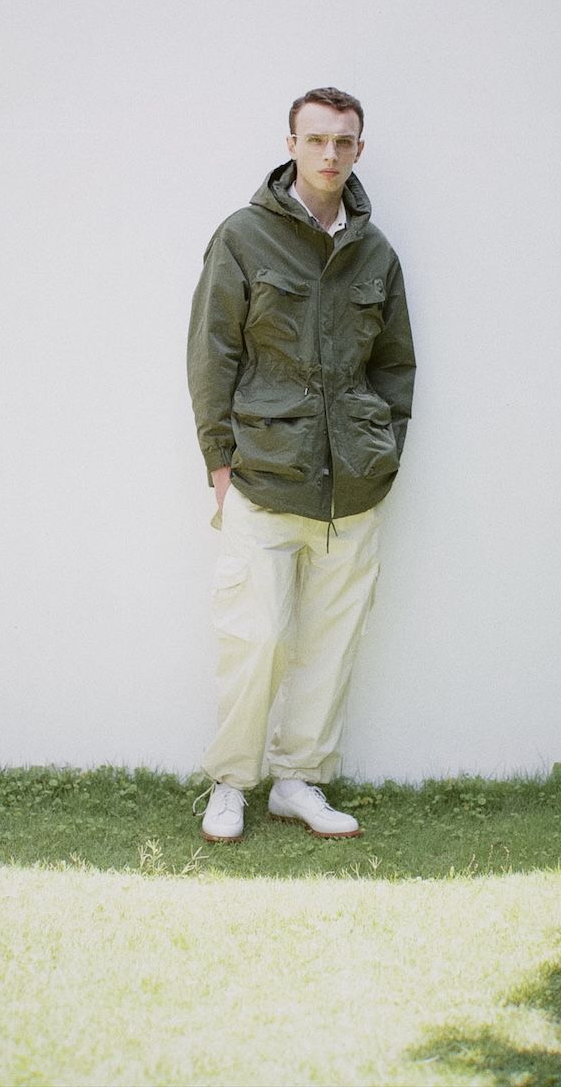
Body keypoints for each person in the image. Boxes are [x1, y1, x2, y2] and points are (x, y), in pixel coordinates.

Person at [187, 87, 415, 842]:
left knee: (330, 644)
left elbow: (395, 368)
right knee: (255, 640)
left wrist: (381, 453)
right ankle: (231, 782)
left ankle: (298, 780)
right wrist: (220, 463)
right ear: (291, 145)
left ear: (359, 150)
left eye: (343, 142)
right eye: (315, 139)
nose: (329, 154)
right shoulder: (243, 236)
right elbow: (212, 354)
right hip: (264, 475)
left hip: (352, 487)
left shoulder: (377, 254)